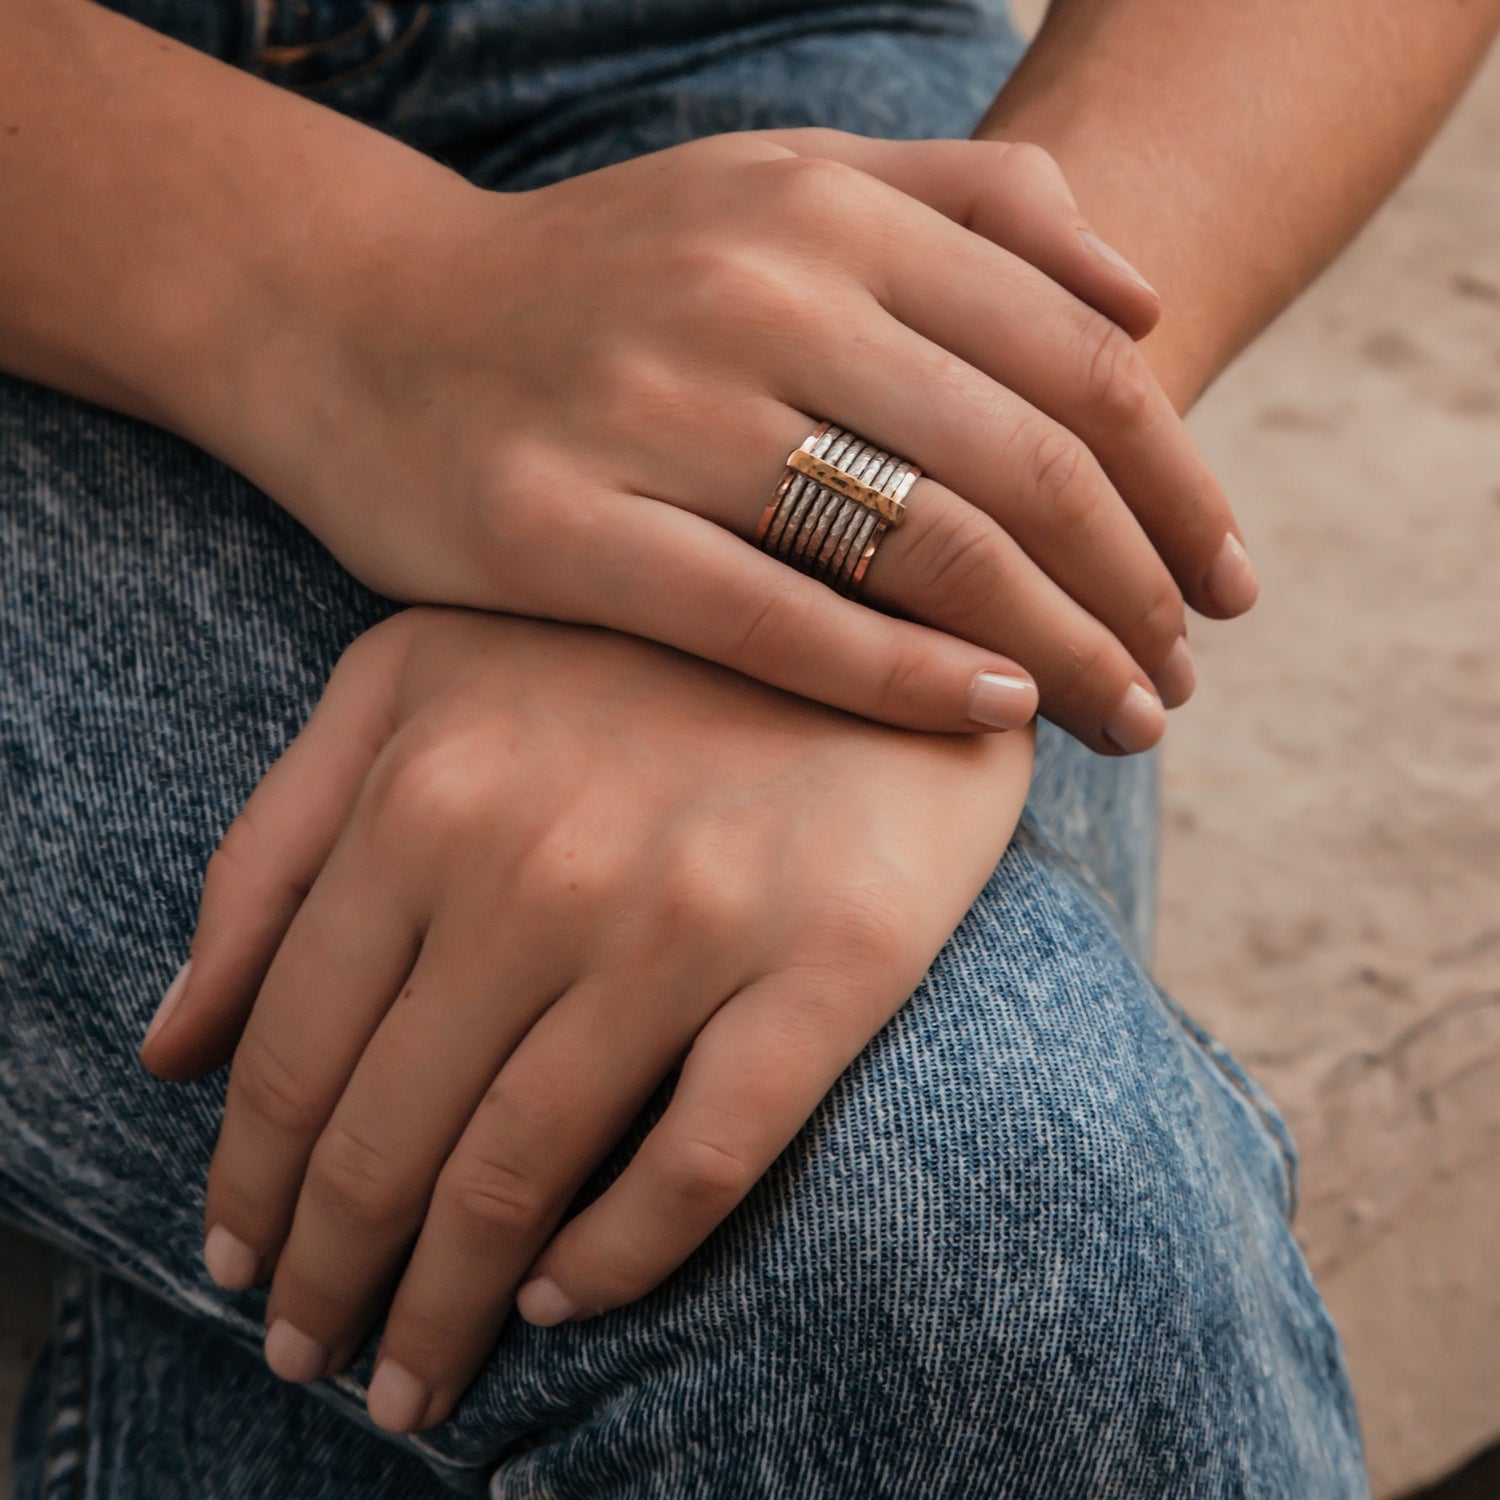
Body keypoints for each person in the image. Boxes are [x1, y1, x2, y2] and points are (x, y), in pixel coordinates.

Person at [1, 0, 1493, 1494]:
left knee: (852, 1172)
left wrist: (959, 423)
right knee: (963, 1215)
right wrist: (369, 302)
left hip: (775, 77)